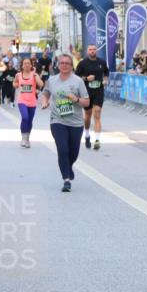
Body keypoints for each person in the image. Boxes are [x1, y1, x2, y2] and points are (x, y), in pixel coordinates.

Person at [40, 53, 91, 192]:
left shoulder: (78, 81)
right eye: (61, 63)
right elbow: (45, 93)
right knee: (62, 150)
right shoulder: (52, 80)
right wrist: (45, 102)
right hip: (57, 120)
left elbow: (86, 102)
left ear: (71, 66)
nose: (64, 65)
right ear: (58, 65)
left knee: (73, 153)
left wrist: (75, 99)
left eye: (67, 63)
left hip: (76, 122)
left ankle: (68, 168)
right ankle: (66, 180)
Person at [74, 43, 109, 150]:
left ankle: (97, 140)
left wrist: (105, 79)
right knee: (88, 115)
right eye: (90, 49)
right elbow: (76, 76)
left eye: (94, 49)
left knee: (97, 112)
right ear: (87, 51)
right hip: (86, 92)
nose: (92, 51)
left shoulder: (101, 62)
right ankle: (87, 134)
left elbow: (106, 72)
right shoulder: (83, 63)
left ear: (96, 51)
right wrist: (86, 79)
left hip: (99, 90)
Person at [13, 56, 43, 148]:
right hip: (22, 101)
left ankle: (27, 139)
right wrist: (16, 85)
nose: (26, 65)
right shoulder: (18, 75)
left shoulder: (34, 75)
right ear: (22, 65)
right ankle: (23, 138)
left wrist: (35, 76)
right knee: (25, 117)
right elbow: (14, 83)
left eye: (28, 63)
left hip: (32, 101)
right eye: (25, 63)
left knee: (29, 120)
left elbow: (41, 85)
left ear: (31, 65)